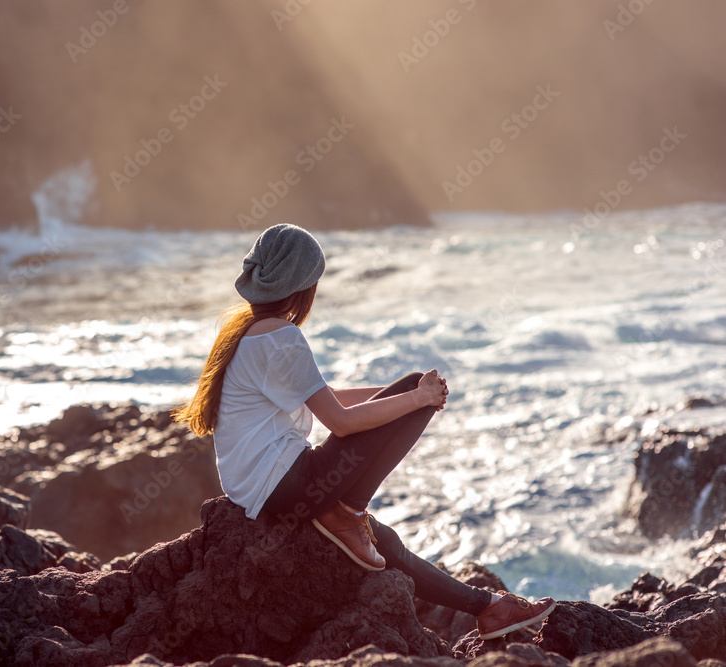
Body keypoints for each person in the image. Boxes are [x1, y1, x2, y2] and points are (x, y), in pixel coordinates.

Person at [173, 223, 555, 640]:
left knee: (386, 544)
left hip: (260, 490)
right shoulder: (282, 337)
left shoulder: (246, 330)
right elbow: (339, 421)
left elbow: (327, 397)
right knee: (413, 387)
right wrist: (417, 398)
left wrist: (393, 395)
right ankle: (349, 509)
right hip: (287, 486)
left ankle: (491, 609)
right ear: (304, 286)